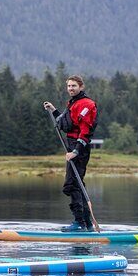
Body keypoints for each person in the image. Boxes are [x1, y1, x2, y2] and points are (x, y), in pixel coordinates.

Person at [43, 75, 98, 232]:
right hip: (72, 145)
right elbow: (65, 123)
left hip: (79, 148)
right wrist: (53, 110)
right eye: (68, 86)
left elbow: (85, 131)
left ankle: (80, 223)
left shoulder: (87, 105)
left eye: (73, 86)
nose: (71, 88)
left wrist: (75, 151)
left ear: (81, 87)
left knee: (72, 184)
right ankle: (86, 223)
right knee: (76, 183)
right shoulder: (73, 103)